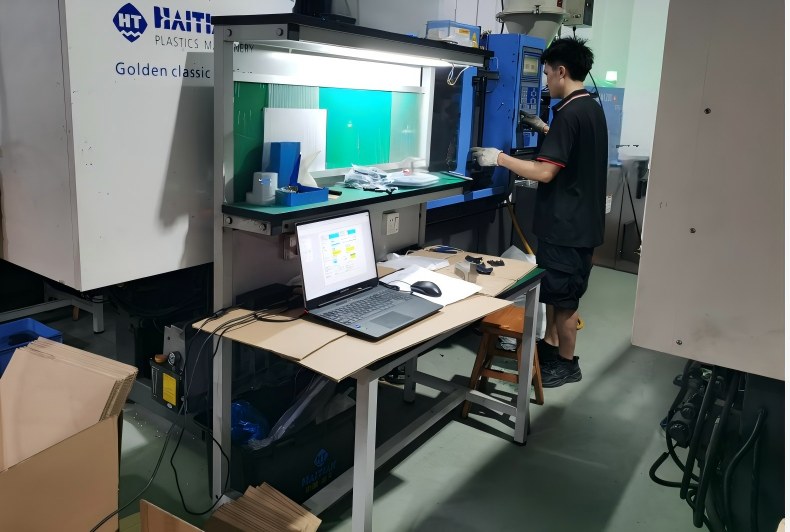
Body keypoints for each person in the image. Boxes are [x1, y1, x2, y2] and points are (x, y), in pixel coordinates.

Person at [471, 37, 607, 388]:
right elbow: (575, 149)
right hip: (581, 224)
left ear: (561, 71)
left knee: (565, 301)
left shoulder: (569, 114)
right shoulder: (589, 108)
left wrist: (499, 158)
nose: (545, 81)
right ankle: (550, 349)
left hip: (567, 228)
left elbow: (545, 172)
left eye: (546, 74)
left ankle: (567, 364)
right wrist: (546, 129)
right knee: (558, 292)